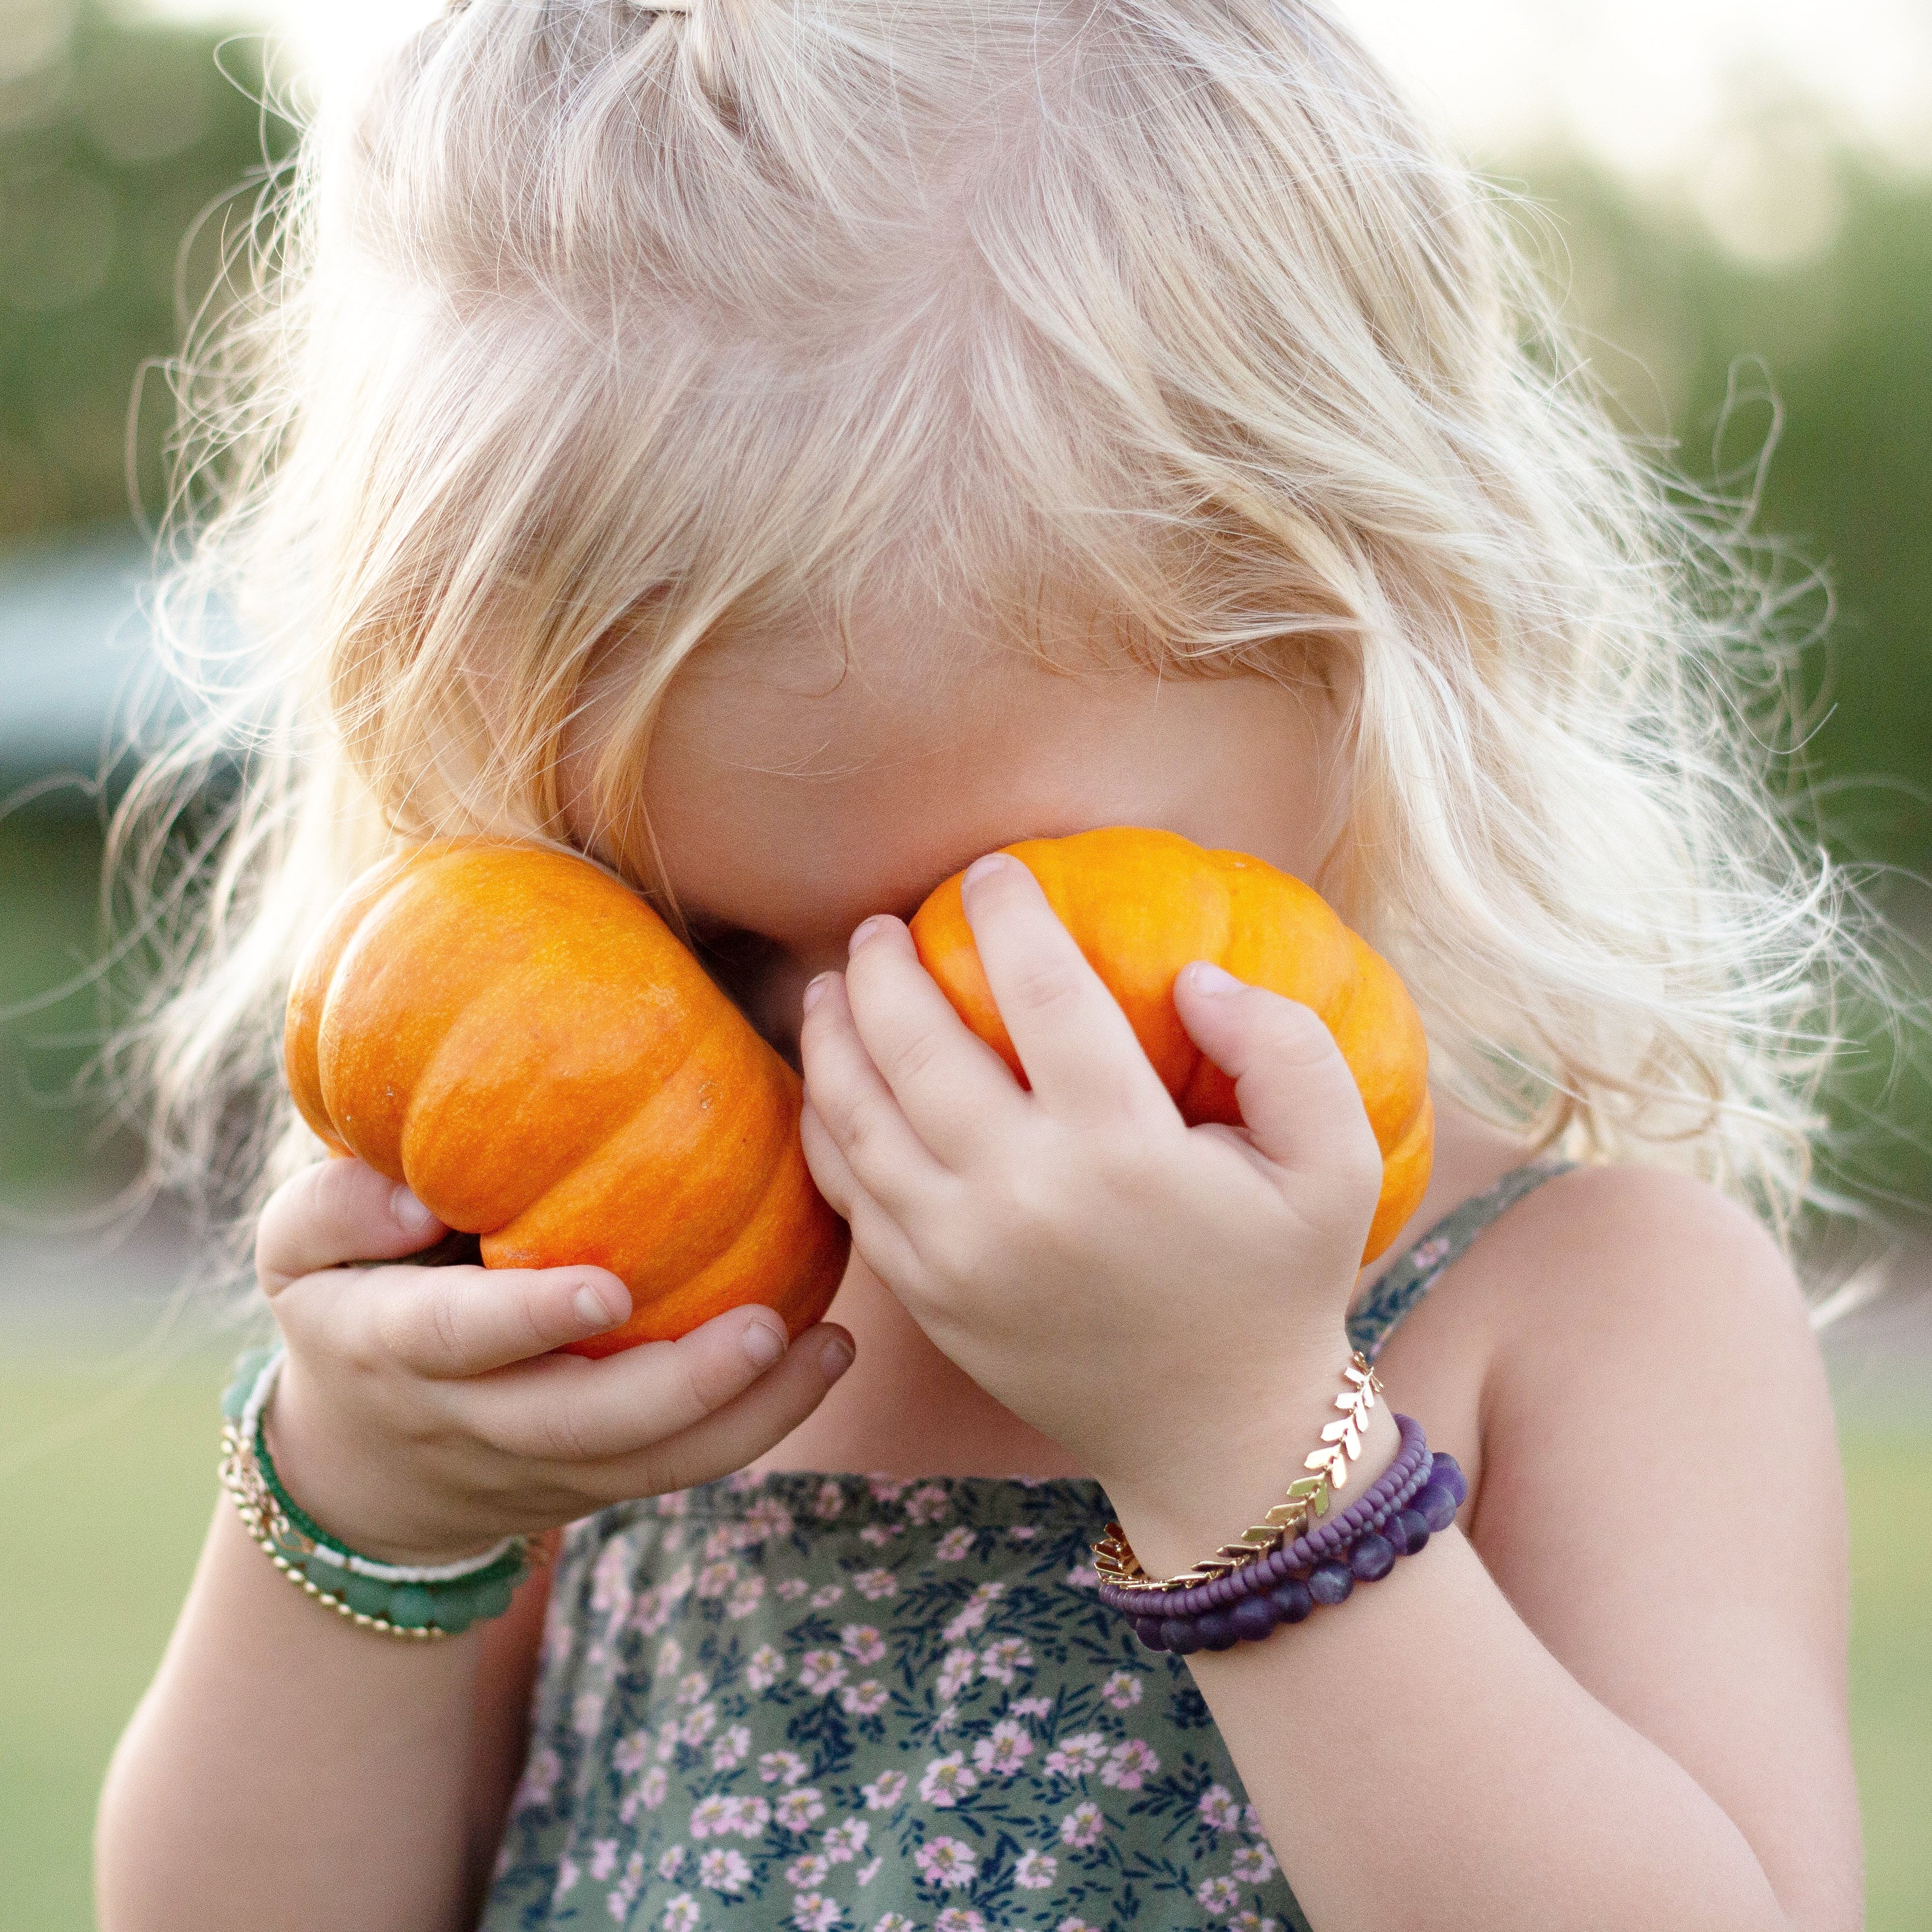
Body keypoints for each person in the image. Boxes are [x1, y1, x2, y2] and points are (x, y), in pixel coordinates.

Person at [94, 2, 1866, 1928]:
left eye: (982, 925)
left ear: (1371, 658)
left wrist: (1249, 1448)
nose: (846, 1057)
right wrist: (363, 1507)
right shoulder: (587, 1345)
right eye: (689, 941)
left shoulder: (1582, 1312)